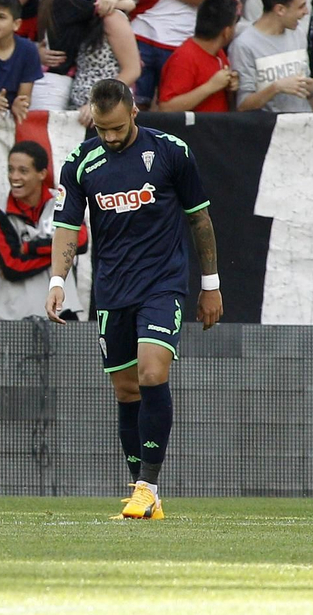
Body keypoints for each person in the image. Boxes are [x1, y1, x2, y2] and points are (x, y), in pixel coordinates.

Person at [48, 78, 224, 520]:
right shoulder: (80, 162)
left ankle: (147, 486)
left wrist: (211, 284)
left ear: (134, 113)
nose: (109, 137)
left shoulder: (170, 151)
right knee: (126, 390)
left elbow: (199, 218)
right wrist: (56, 281)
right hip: (112, 290)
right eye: (101, 129)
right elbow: (67, 225)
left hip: (163, 284)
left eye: (117, 128)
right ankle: (143, 497)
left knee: (151, 371)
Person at [0, 139, 86, 322]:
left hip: (63, 311)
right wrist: (63, 254)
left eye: (23, 171)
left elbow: (82, 241)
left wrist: (30, 248)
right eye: (10, 169)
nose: (14, 177)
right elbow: (12, 266)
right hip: (15, 316)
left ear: (42, 174)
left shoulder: (61, 201)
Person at [33, 0, 141, 112]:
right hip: (75, 102)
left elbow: (132, 69)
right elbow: (129, 3)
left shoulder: (112, 18)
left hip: (104, 108)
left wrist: (100, 102)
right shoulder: (77, 4)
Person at [231, 0, 313, 113]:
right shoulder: (244, 45)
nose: (306, 12)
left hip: (303, 122)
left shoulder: (298, 34)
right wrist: (276, 88)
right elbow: (243, 105)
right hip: (269, 124)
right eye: (301, 7)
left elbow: (303, 90)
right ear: (280, 9)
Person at [155, 0, 238, 113]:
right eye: (235, 24)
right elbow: (166, 107)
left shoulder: (218, 52)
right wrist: (210, 87)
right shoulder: (185, 58)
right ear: (227, 32)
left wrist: (231, 88)